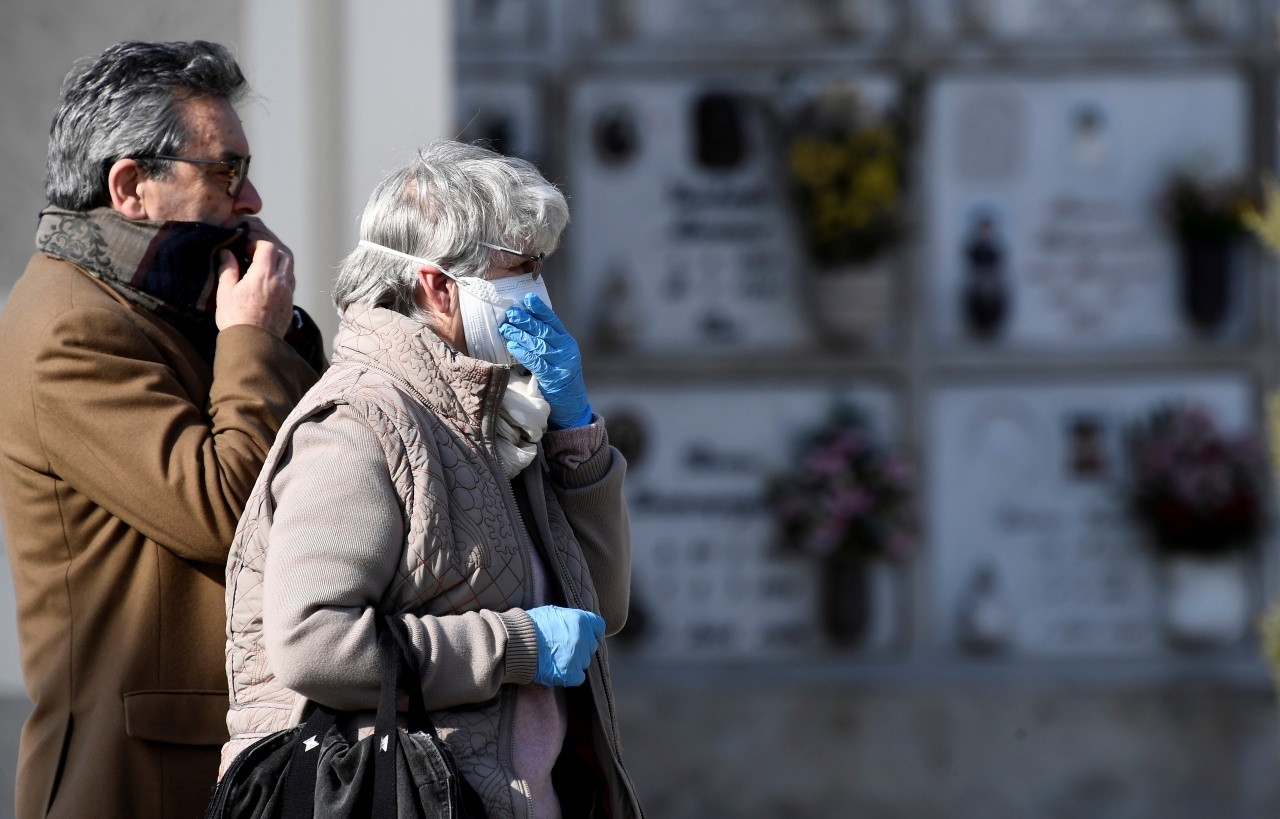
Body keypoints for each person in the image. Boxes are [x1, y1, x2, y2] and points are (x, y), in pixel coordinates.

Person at [222, 141, 644, 818]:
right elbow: (313, 642)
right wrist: (515, 646)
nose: (538, 288)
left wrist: (575, 433)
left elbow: (603, 606)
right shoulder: (360, 423)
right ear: (438, 286)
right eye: (521, 267)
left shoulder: (501, 418)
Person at [0, 41, 323, 818]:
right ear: (130, 187)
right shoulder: (68, 328)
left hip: (217, 762)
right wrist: (253, 341)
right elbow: (226, 512)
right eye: (224, 172)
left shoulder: (164, 307)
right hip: (133, 778)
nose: (250, 200)